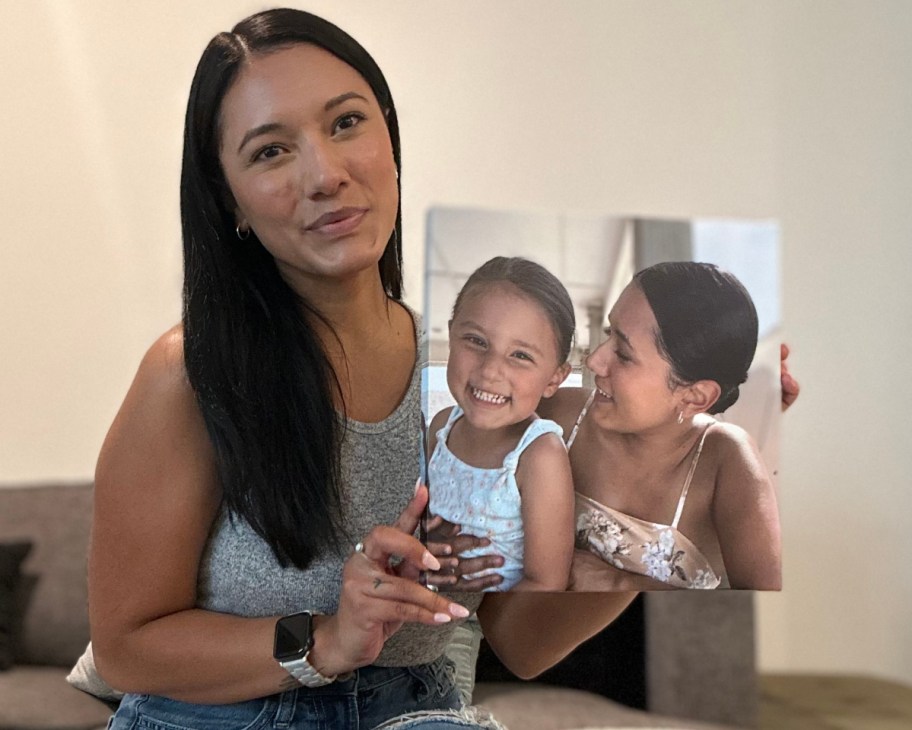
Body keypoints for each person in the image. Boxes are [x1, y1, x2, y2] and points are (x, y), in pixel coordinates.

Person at [84, 8, 636, 729]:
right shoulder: (192, 374)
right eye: (270, 152)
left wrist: (637, 526)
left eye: (345, 124)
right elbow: (125, 648)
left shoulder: (470, 381)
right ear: (231, 202)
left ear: (389, 138)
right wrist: (326, 638)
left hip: (415, 711)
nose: (325, 174)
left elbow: (522, 642)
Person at [543, 261, 782, 590]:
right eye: (609, 334)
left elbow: (767, 622)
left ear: (695, 396)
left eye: (623, 354)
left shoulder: (725, 460)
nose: (594, 360)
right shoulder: (559, 415)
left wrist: (617, 585)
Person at [427, 257, 575, 592]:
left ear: (554, 378)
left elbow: (547, 583)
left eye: (520, 355)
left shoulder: (539, 455)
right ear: (450, 334)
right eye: (476, 341)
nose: (491, 370)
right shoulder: (440, 428)